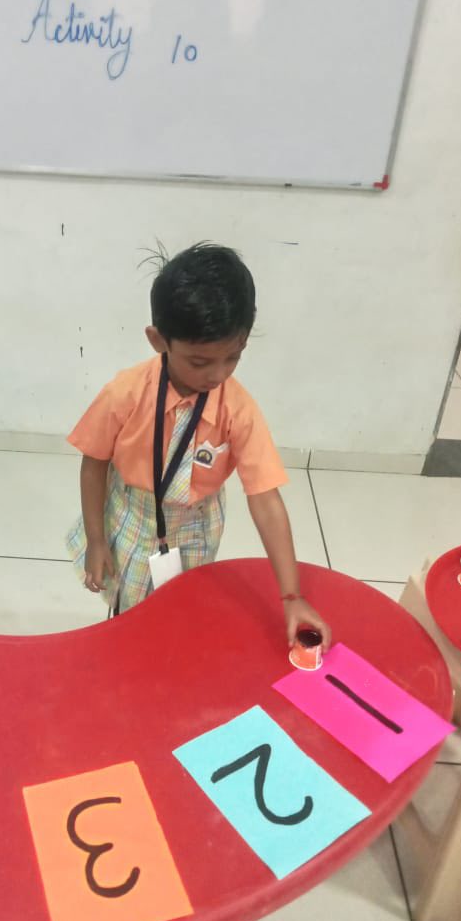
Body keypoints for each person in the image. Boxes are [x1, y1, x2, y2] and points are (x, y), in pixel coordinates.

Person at [66, 242, 331, 647]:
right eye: (200, 362)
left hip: (197, 524)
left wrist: (292, 596)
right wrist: (97, 539)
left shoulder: (237, 409)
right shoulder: (125, 393)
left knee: (183, 608)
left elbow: (265, 498)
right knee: (130, 611)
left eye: (233, 357)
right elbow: (94, 463)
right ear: (159, 340)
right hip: (133, 514)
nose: (218, 375)